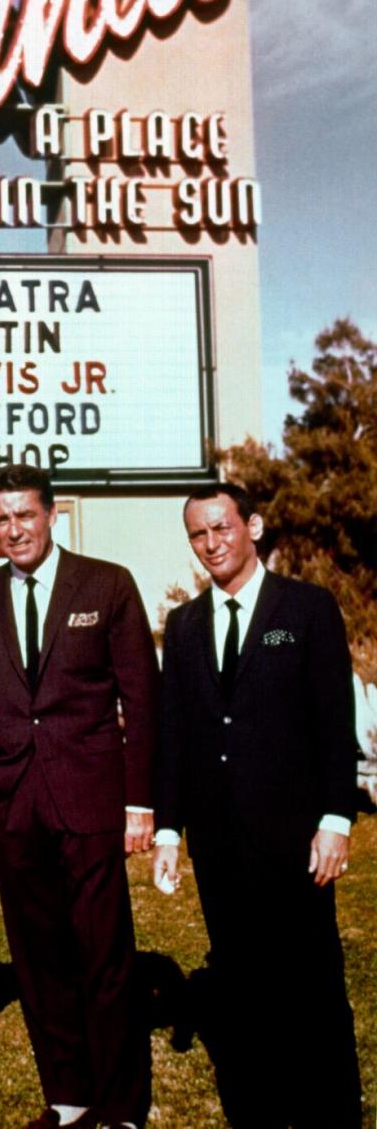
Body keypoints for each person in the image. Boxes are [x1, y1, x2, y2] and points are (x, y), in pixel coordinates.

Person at [153, 483, 361, 1128]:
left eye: (222, 528)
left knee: (312, 985)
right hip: (218, 843)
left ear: (254, 526)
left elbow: (334, 721)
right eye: (198, 534)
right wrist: (167, 830)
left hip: (295, 839)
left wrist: (335, 819)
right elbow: (175, 735)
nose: (211, 544)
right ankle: (258, 1108)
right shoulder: (185, 625)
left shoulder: (306, 608)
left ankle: (329, 1112)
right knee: (240, 988)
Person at [0, 465, 158, 1129]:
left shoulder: (106, 583)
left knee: (104, 955)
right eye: (0, 519)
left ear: (51, 515)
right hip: (15, 803)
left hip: (92, 799)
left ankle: (122, 1108)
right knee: (38, 955)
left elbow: (142, 699)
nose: (13, 530)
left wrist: (139, 803)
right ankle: (69, 1097)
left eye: (24, 515)